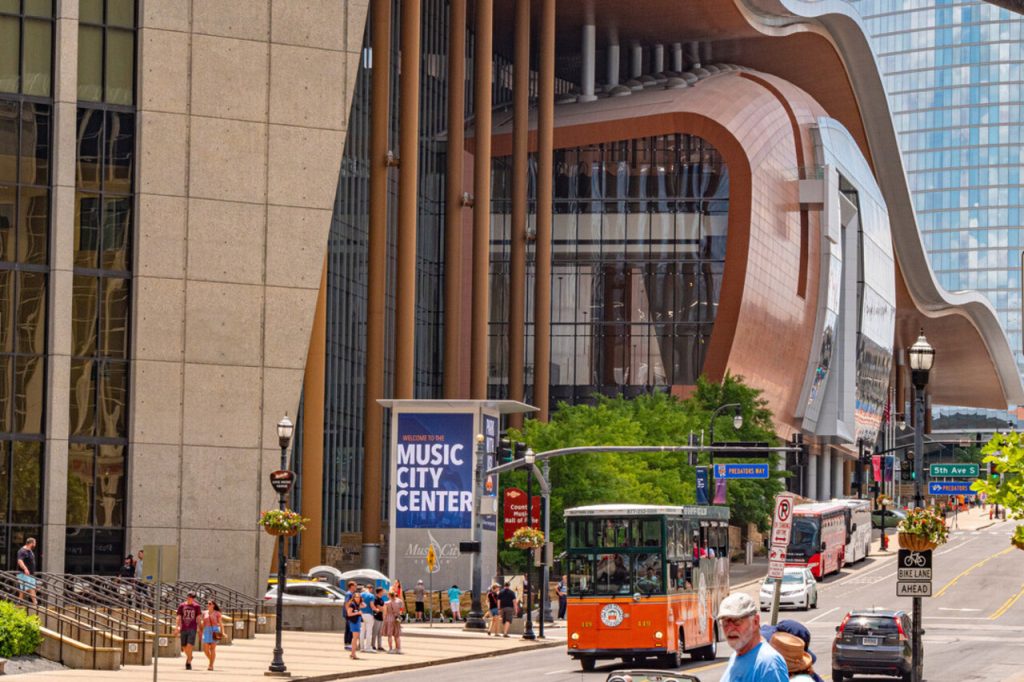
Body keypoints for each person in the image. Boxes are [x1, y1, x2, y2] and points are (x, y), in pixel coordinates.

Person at [717, 592, 788, 682]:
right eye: (725, 622)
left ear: (755, 622)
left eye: (736, 621)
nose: (730, 628)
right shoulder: (735, 656)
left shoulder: (768, 663)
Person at [175, 592, 202, 670]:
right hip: (183, 628)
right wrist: (177, 627)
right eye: (190, 596)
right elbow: (178, 617)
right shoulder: (182, 605)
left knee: (190, 645)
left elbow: (199, 618)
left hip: (192, 628)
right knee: (183, 647)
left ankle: (188, 662)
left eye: (193, 597)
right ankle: (190, 656)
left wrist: (200, 628)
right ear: (187, 596)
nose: (191, 598)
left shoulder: (197, 606)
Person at [199, 599, 223, 671]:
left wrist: (222, 632)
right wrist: (201, 632)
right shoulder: (204, 613)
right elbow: (202, 623)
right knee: (205, 649)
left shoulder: (217, 613)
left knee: (212, 649)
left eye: (209, 603)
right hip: (206, 630)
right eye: (207, 603)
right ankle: (211, 661)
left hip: (214, 630)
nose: (208, 605)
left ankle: (211, 665)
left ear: (213, 605)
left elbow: (221, 624)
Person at [382, 587, 404, 653]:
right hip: (397, 619)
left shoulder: (386, 603)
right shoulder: (399, 601)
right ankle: (398, 649)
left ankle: (390, 649)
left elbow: (385, 613)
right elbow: (402, 609)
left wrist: (384, 620)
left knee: (389, 635)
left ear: (389, 595)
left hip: (389, 619)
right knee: (397, 635)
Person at [16, 537, 37, 605]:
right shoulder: (22, 551)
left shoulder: (30, 551)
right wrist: (25, 568)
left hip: (30, 574)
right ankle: (35, 603)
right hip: (24, 574)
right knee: (30, 588)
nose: (35, 544)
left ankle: (19, 603)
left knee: (24, 589)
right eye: (34, 543)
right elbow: (20, 561)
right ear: (31, 543)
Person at [345, 593, 363, 660]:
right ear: (354, 597)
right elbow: (349, 614)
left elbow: (364, 605)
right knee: (355, 638)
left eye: (359, 597)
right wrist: (358, 613)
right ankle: (353, 653)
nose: (358, 598)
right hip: (354, 622)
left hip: (357, 622)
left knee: (356, 638)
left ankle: (353, 653)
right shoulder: (352, 604)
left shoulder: (357, 605)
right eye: (356, 597)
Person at [360, 584, 376, 651]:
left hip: (361, 614)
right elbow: (372, 606)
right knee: (369, 631)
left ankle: (362, 647)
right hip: (369, 614)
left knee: (362, 631)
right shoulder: (371, 596)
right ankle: (368, 648)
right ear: (371, 589)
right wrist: (377, 609)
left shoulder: (360, 595)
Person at [371, 586, 387, 652]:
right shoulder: (376, 599)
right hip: (376, 617)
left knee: (380, 633)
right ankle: (373, 645)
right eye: (382, 591)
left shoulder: (381, 599)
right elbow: (379, 608)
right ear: (379, 592)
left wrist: (383, 609)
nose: (383, 592)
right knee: (375, 632)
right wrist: (383, 609)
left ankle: (379, 646)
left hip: (381, 618)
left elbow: (383, 608)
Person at [342, 581, 357, 650]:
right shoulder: (349, 594)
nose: (356, 587)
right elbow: (347, 603)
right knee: (349, 629)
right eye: (355, 586)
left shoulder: (351, 594)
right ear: (351, 586)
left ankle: (347, 643)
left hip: (348, 613)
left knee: (349, 629)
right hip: (349, 614)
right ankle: (348, 644)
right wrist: (348, 612)